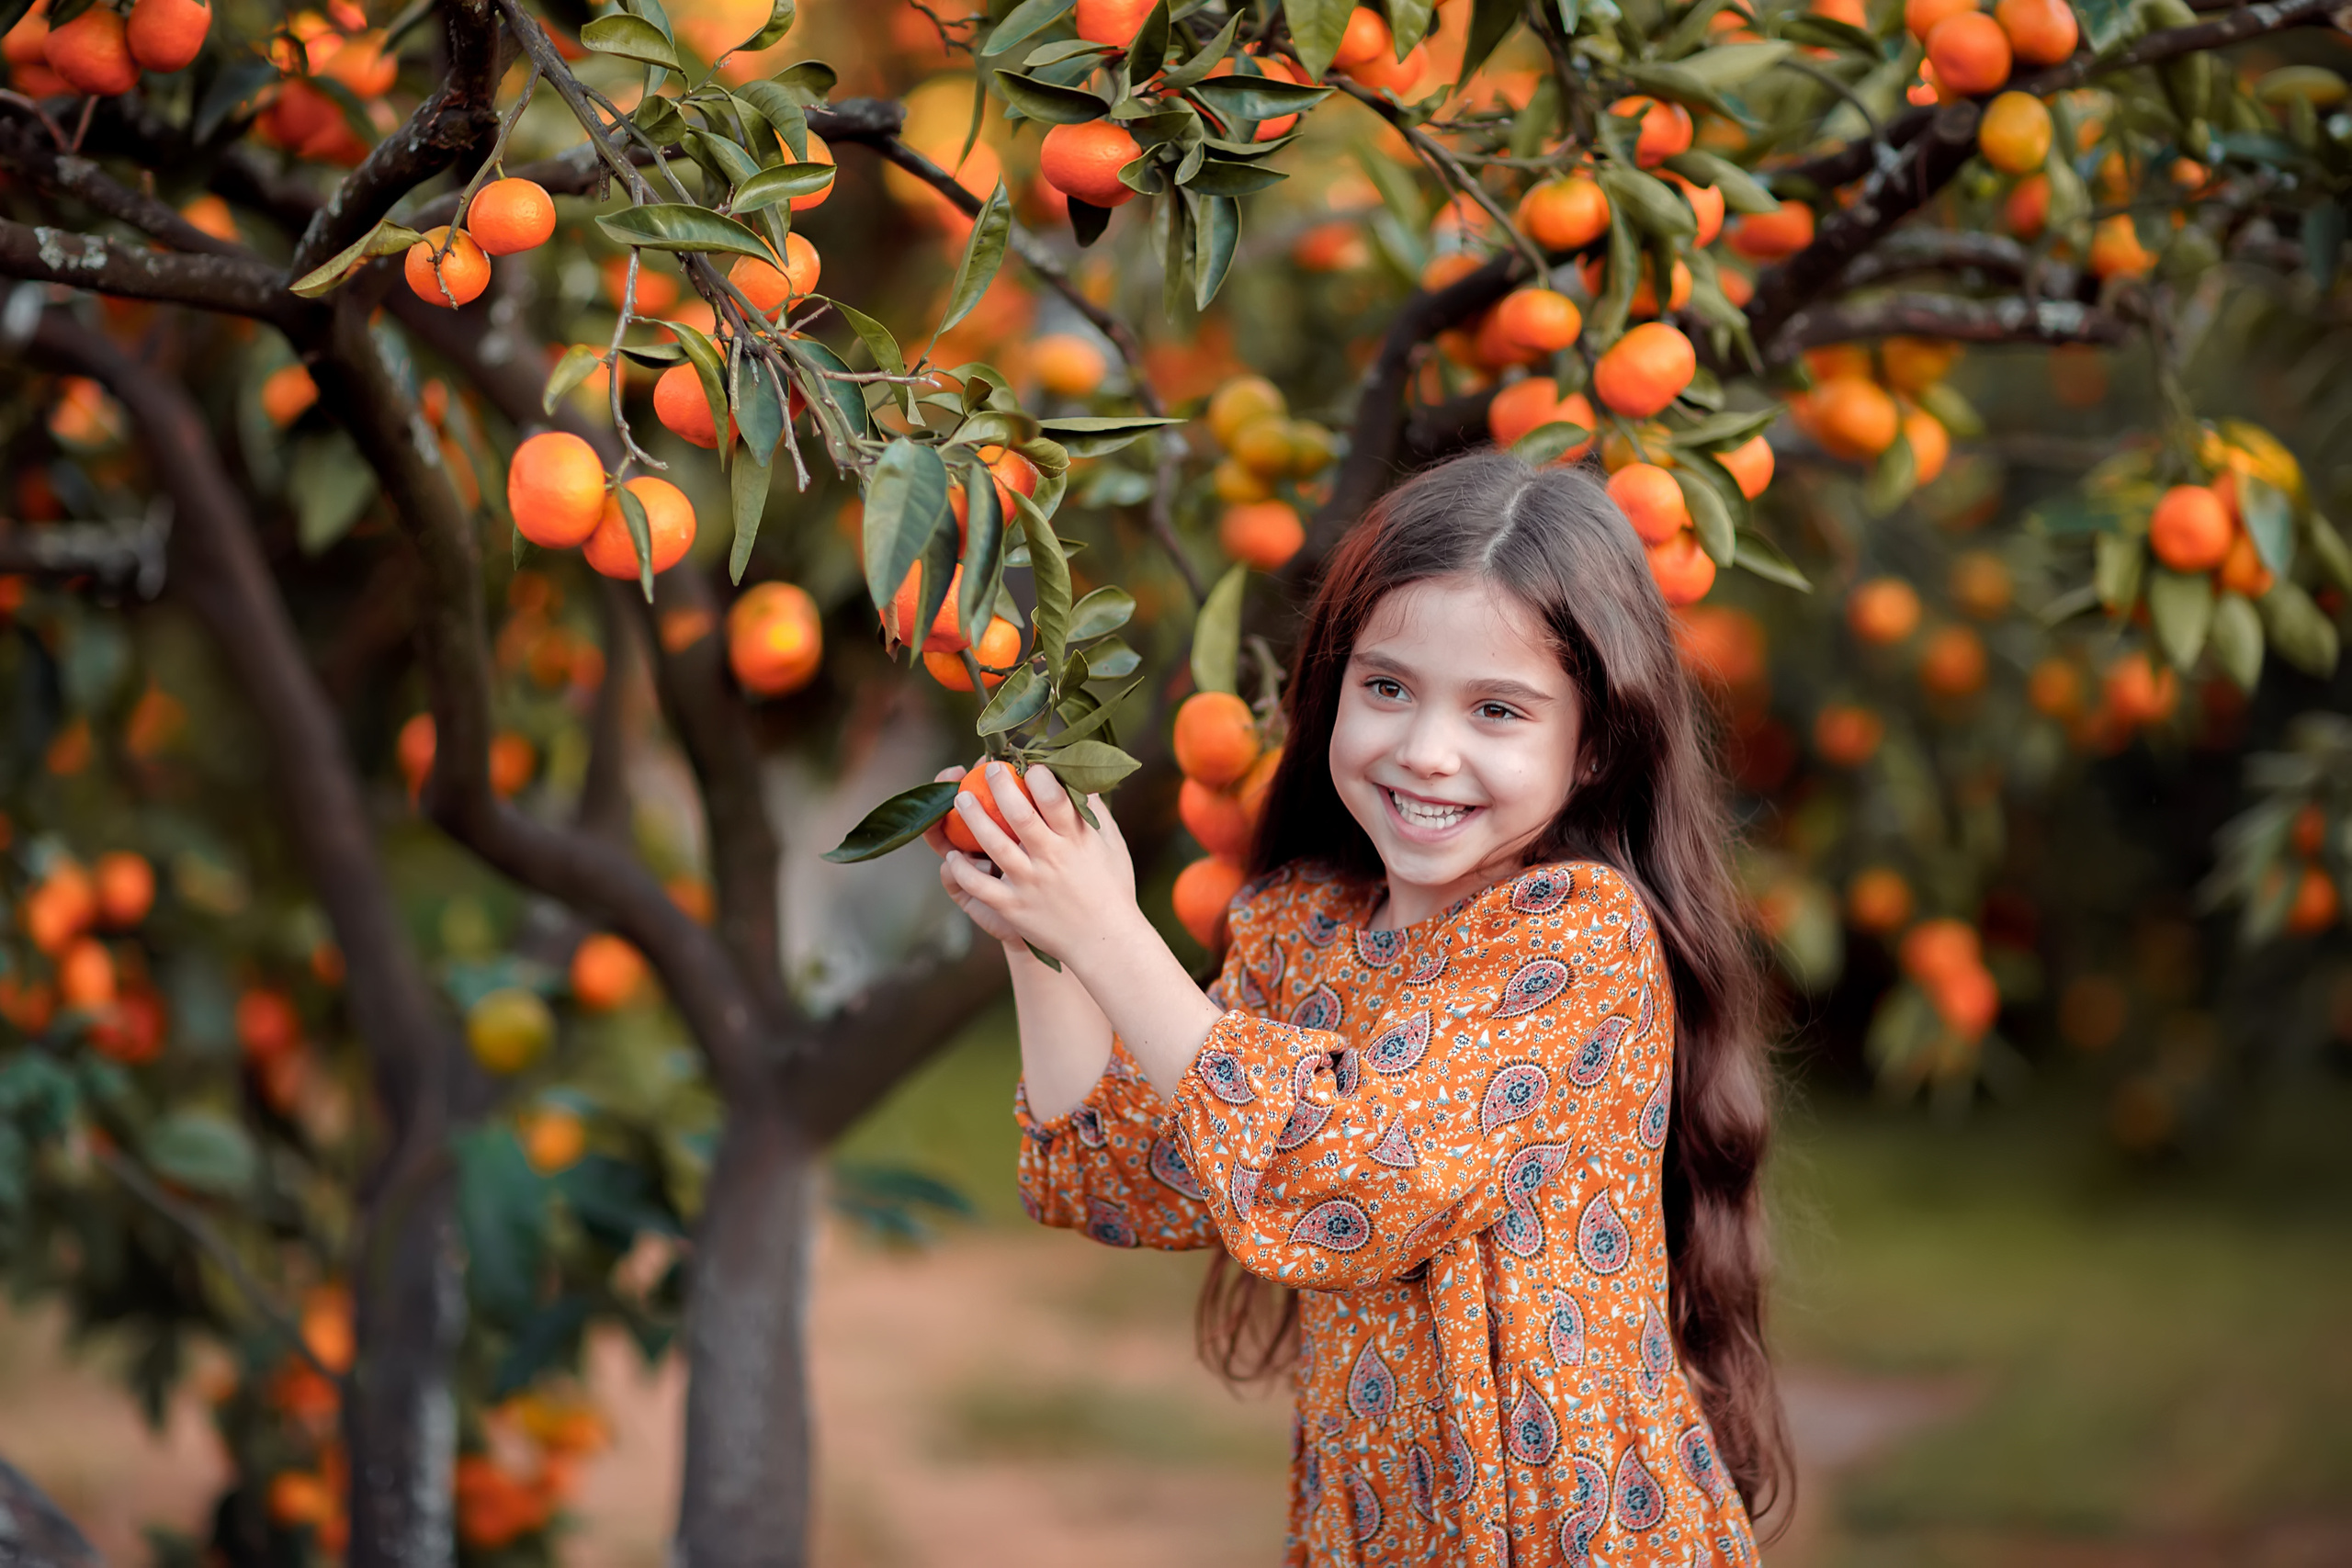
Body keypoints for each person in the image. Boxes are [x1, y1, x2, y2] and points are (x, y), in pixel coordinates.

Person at [926, 451, 1786, 1565]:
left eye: (1496, 709)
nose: (1425, 751)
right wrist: (1038, 934)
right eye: (1386, 688)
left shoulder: (1577, 938)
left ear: (1590, 749)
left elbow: (1343, 1179)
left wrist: (1106, 931)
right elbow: (1125, 1178)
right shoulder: (1298, 927)